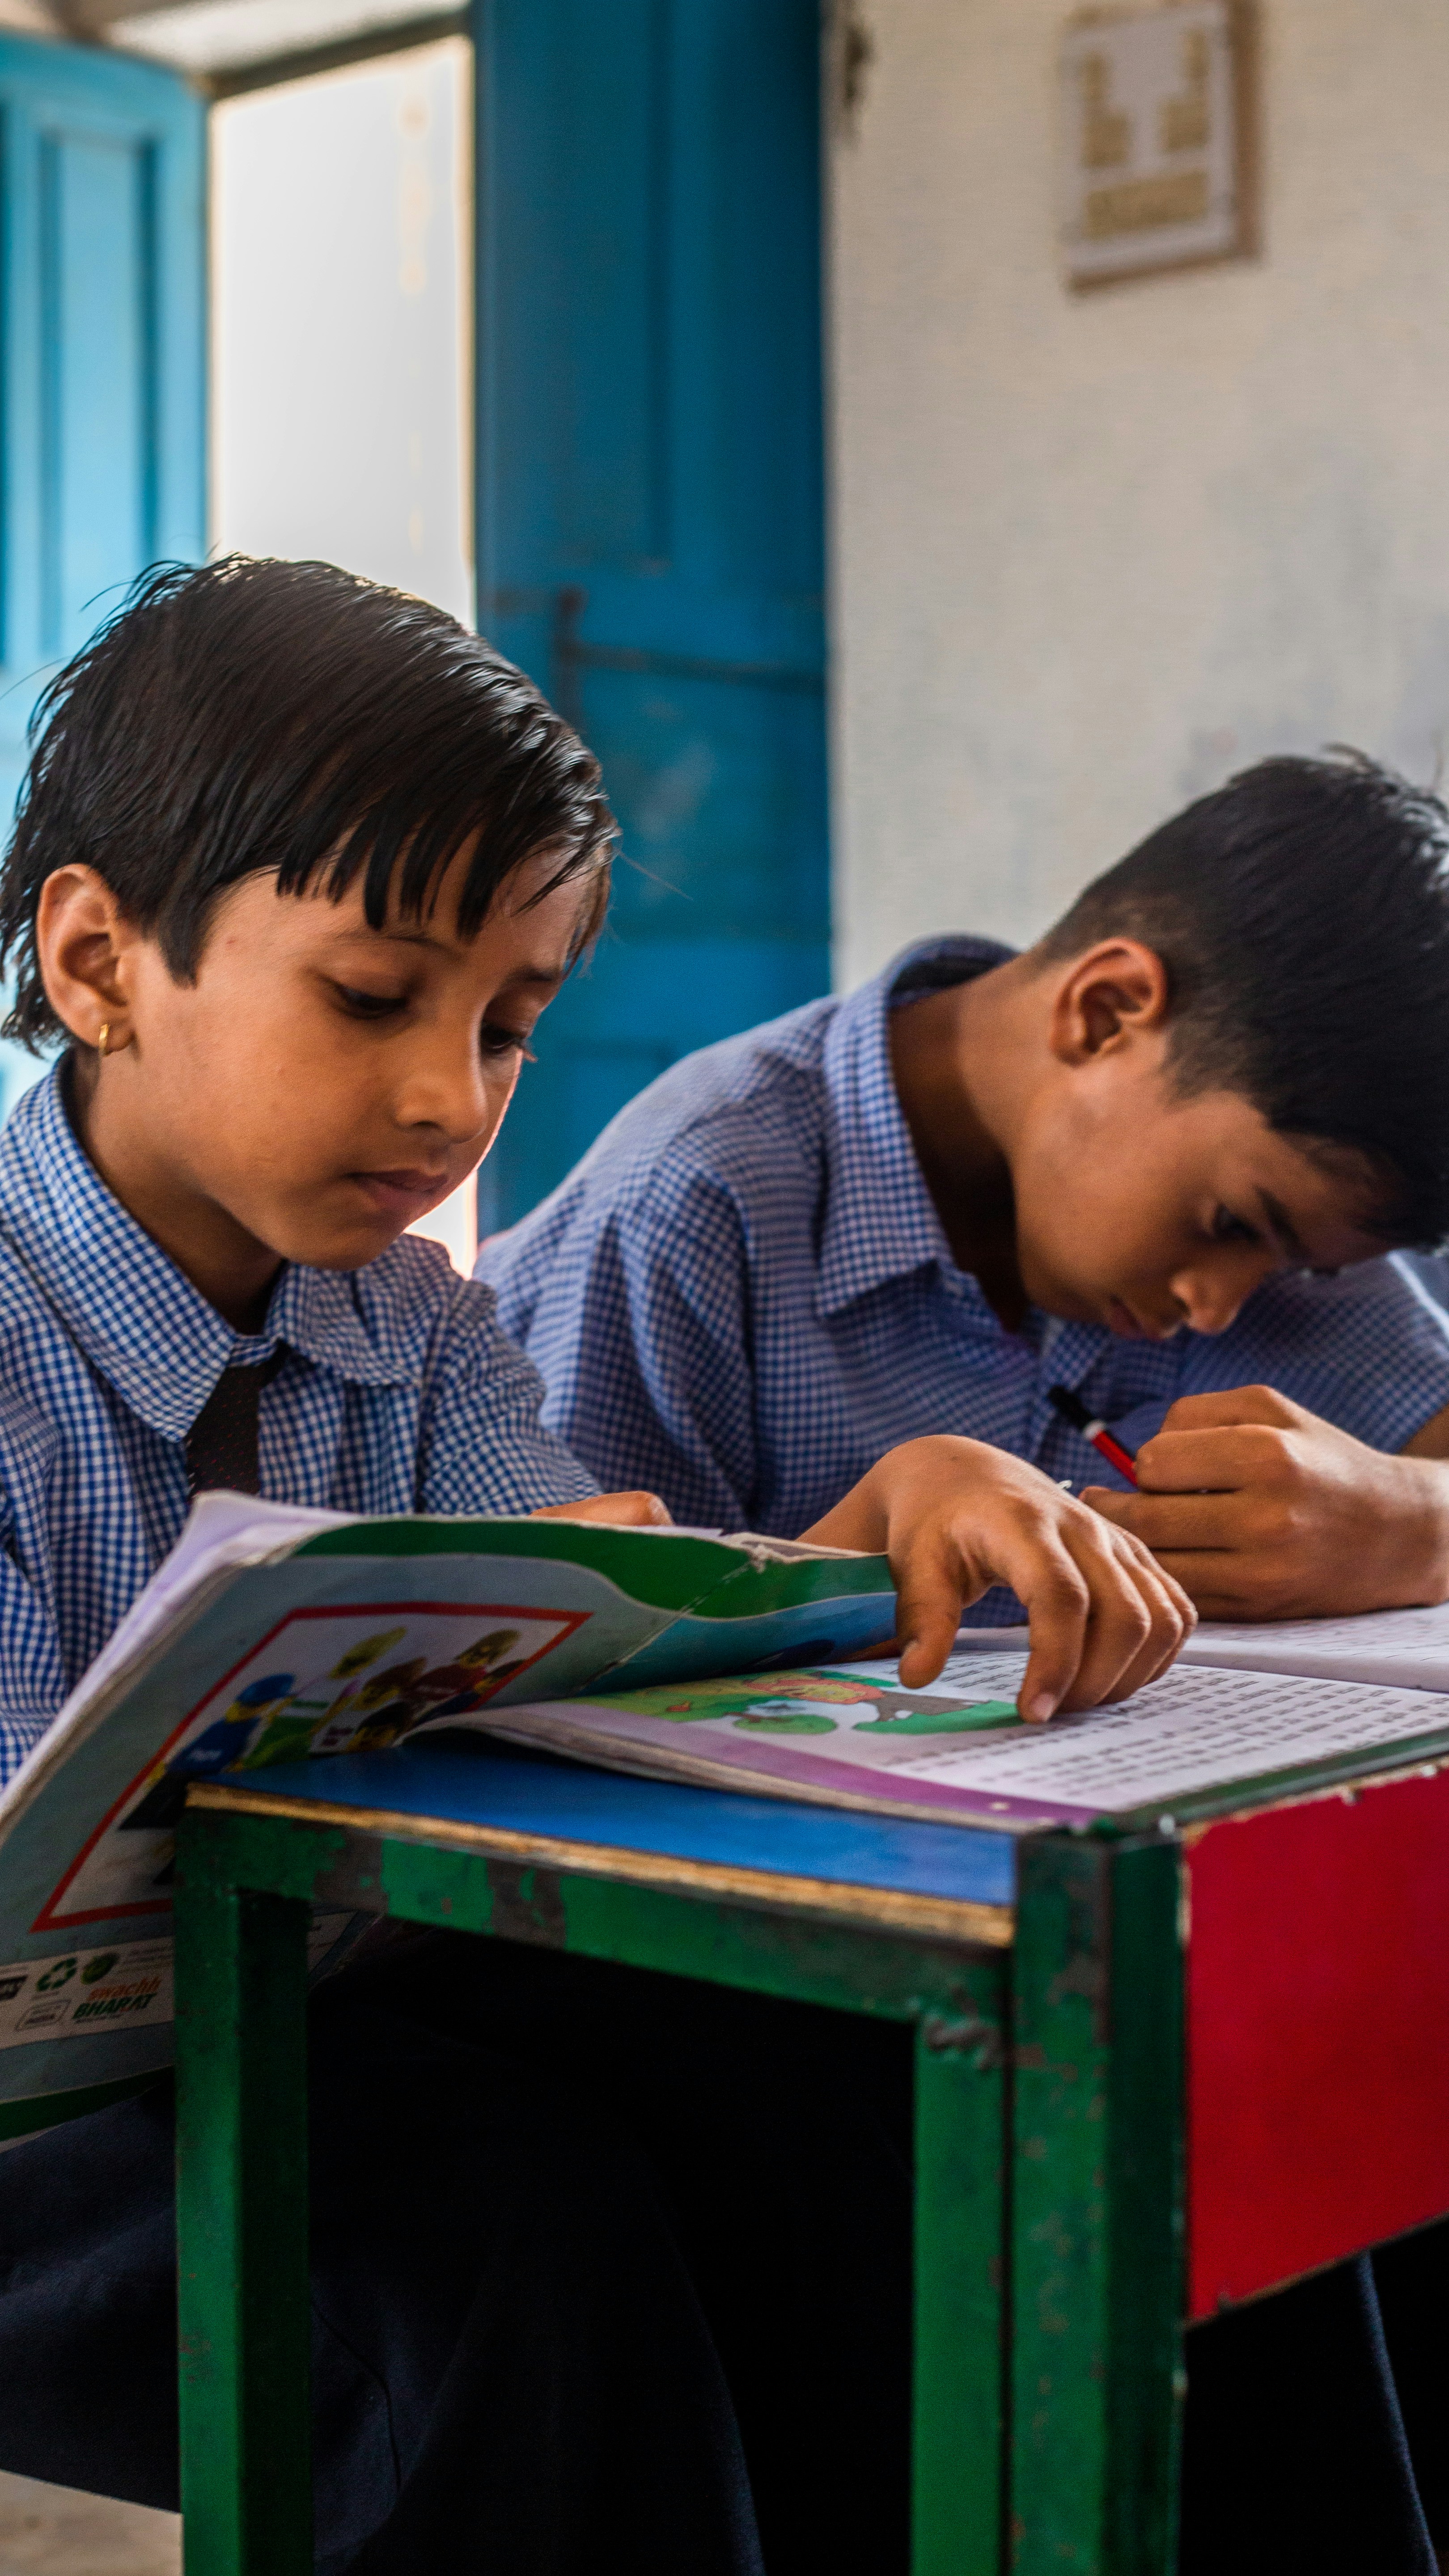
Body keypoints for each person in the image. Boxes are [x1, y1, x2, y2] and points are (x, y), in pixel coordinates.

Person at [0, 555, 1193, 2576]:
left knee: (855, 2105)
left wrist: (857, 1529)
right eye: (375, 998)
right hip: (51, 2132)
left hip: (310, 2024)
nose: (446, 1097)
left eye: (509, 1026)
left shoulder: (413, 1321)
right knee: (501, 2240)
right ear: (104, 956)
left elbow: (604, 1611)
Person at [480, 753, 1449, 1626]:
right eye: (1231, 1226)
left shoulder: (1296, 1205)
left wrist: (1416, 1524)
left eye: (1297, 1267)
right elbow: (579, 1652)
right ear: (1106, 1014)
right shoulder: (695, 1201)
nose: (1218, 1305)